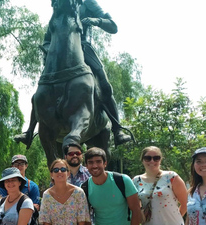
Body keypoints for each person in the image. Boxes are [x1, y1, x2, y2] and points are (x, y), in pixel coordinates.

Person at [15, 0, 131, 149]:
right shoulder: (57, 5)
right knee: (39, 93)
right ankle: (29, 132)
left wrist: (95, 20)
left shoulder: (88, 3)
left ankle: (117, 129)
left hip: (83, 50)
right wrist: (48, 50)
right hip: (57, 55)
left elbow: (112, 26)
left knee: (104, 85)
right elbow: (47, 37)